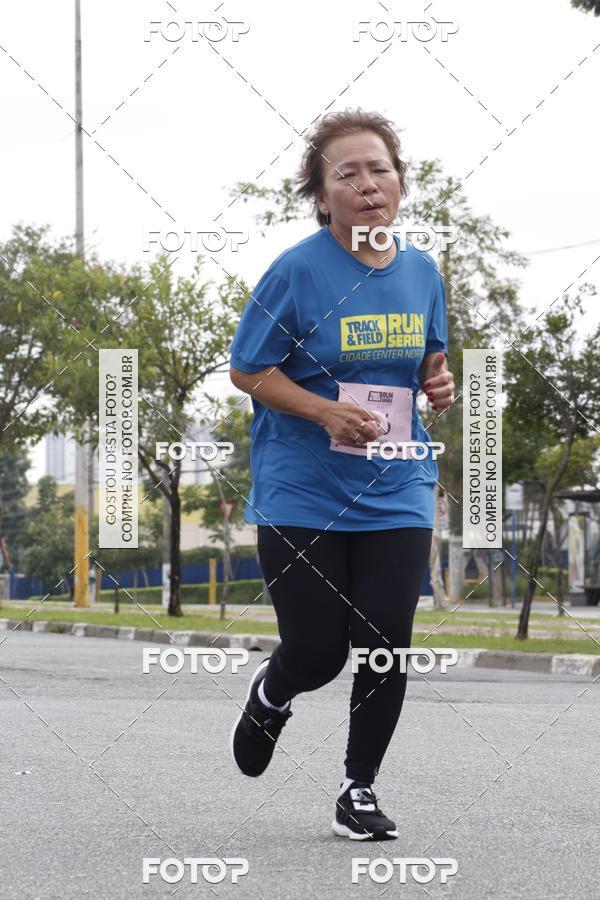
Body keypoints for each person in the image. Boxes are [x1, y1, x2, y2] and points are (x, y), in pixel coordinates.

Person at [228, 108, 455, 841]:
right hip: (303, 490)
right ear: (322, 196)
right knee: (320, 652)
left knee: (386, 638)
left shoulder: (422, 272)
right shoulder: (297, 271)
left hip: (396, 484)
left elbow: (429, 361)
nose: (366, 184)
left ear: (399, 183)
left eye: (379, 169)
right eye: (347, 174)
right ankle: (273, 692)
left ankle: (358, 790)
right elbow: (248, 369)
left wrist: (439, 382)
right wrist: (324, 411)